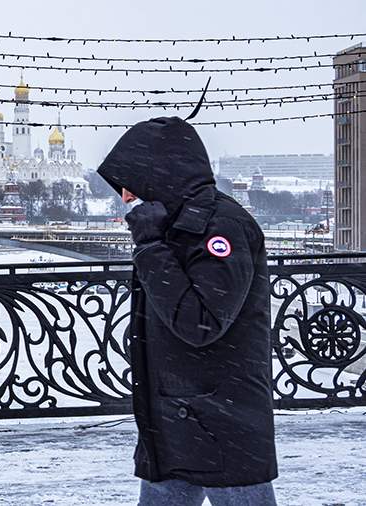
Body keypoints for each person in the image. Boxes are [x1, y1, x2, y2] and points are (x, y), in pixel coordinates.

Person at [96, 116, 278, 505]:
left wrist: (149, 248)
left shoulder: (220, 228)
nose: (126, 196)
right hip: (175, 419)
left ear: (160, 174)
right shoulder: (177, 225)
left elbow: (200, 323)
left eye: (131, 181)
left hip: (221, 422)